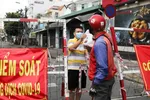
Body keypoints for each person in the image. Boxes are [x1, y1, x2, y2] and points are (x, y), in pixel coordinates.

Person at [87, 14, 117, 100]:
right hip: (108, 79)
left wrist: (95, 83)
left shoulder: (99, 43)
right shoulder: (105, 38)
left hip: (102, 81)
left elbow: (103, 67)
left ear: (93, 28)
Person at [67, 26, 88, 100]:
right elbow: (71, 48)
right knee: (72, 89)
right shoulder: (71, 41)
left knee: (79, 89)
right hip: (72, 68)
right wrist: (81, 40)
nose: (79, 33)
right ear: (74, 33)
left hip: (82, 69)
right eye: (77, 32)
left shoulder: (85, 42)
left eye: (81, 32)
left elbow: (87, 54)